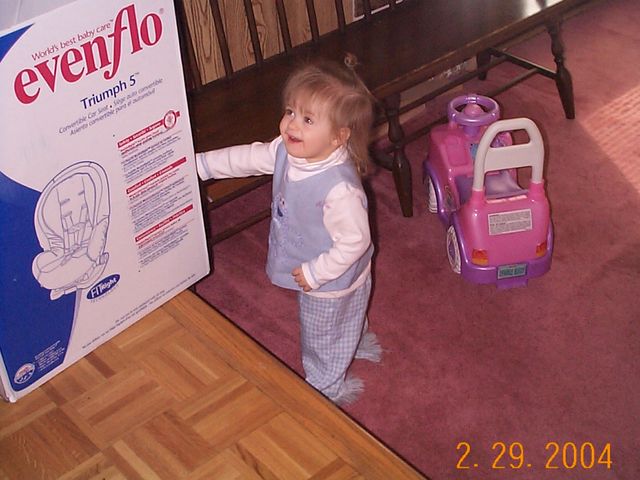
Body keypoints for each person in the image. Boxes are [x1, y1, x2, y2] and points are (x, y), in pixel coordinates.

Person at [196, 56, 381, 404]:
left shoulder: (340, 191)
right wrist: (204, 165)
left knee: (321, 333)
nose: (292, 124)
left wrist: (316, 272)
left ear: (339, 137)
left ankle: (325, 387)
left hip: (328, 280)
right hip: (321, 259)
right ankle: (356, 339)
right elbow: (249, 157)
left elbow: (355, 241)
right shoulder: (287, 150)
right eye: (290, 111)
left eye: (308, 119)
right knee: (349, 314)